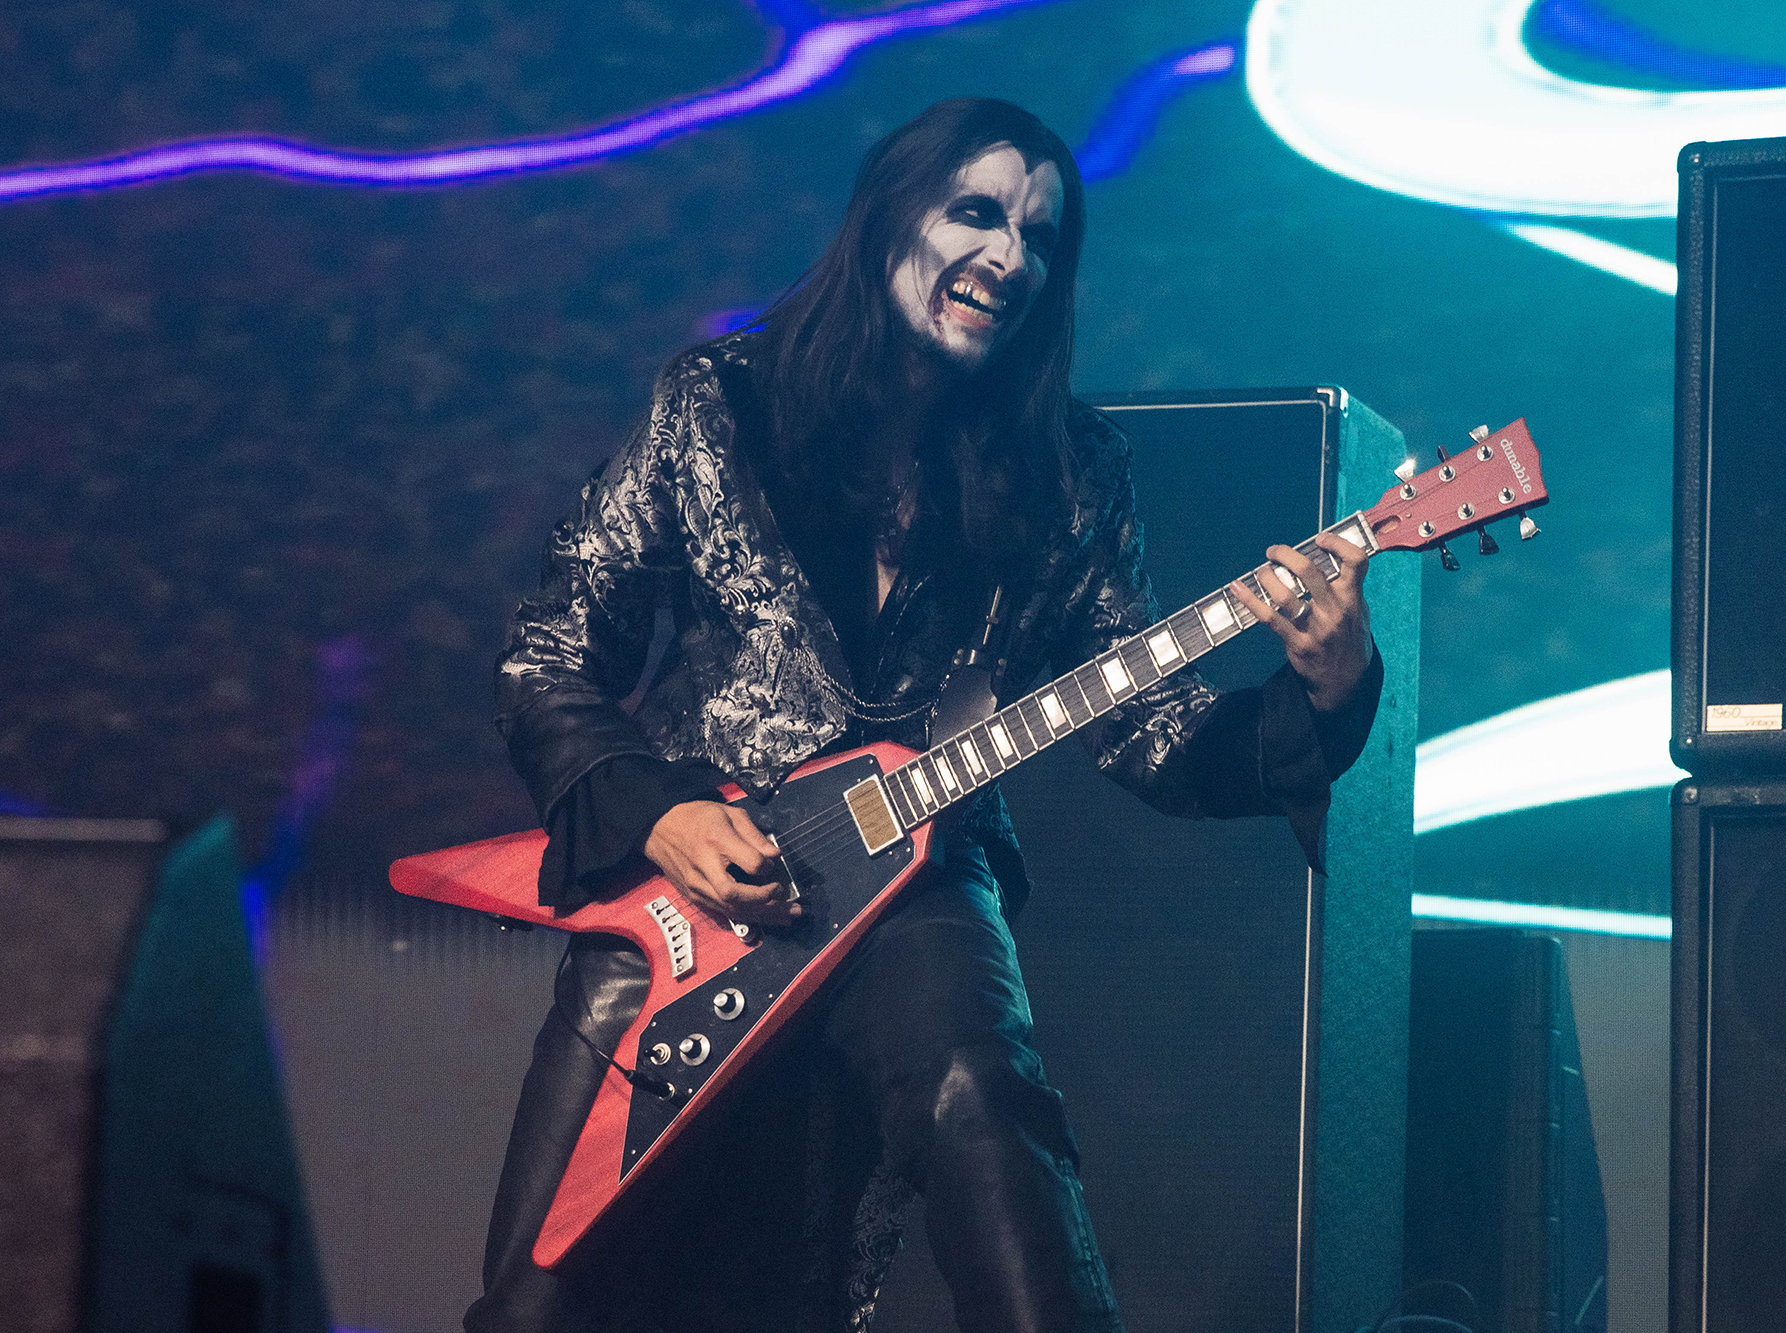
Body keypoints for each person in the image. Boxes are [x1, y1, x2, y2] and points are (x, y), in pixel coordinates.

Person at [471, 98, 1383, 1333]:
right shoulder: (716, 405)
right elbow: (547, 653)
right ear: (890, 216)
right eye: (976, 213)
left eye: (1040, 237)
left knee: (980, 1096)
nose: (1008, 255)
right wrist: (660, 811)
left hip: (920, 873)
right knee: (539, 1299)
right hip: (687, 898)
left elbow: (1150, 733)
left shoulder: (1070, 472)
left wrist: (1326, 685)